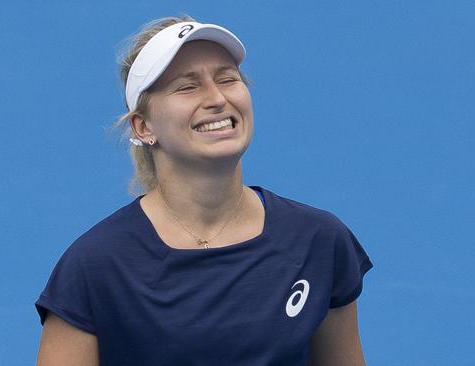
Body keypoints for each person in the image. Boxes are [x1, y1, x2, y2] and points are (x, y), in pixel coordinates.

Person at [35, 15, 373, 366]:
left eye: (228, 79)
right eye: (187, 86)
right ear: (143, 125)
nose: (217, 98)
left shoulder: (318, 240)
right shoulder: (94, 266)